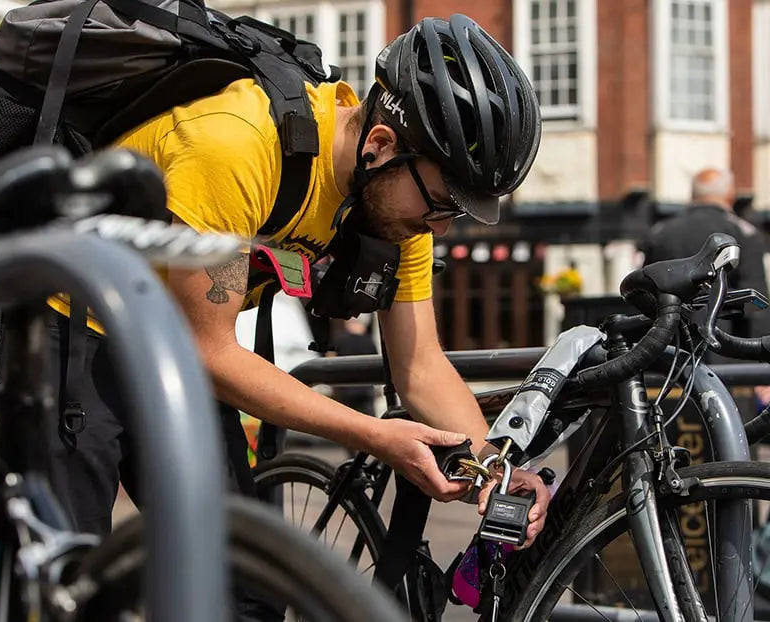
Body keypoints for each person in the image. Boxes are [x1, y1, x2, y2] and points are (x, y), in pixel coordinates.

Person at [43, 14, 549, 558]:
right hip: (74, 330)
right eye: (443, 204)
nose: (443, 226)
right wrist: (376, 435)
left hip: (171, 348)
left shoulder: (397, 200)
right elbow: (210, 349)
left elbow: (420, 362)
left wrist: (495, 467)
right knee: (70, 574)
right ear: (381, 143)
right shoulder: (237, 144)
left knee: (246, 586)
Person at [639, 168, 770, 404]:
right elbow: (756, 305)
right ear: (730, 194)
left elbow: (646, 293)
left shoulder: (660, 233)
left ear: (693, 195)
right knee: (729, 436)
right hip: (726, 361)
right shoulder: (744, 233)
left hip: (669, 359)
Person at [330, 317, 378, 416]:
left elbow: (332, 363)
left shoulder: (341, 339)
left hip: (347, 390)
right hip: (366, 390)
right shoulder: (368, 340)